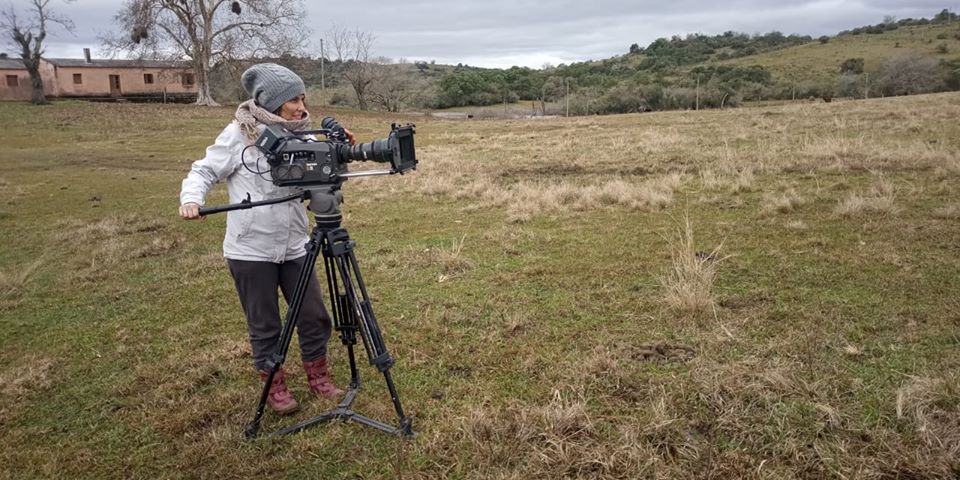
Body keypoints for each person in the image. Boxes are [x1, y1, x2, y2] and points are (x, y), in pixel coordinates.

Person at [179, 63, 349, 415]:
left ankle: (318, 376)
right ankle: (275, 384)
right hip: (250, 248)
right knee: (265, 322)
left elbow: (319, 177)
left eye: (303, 98)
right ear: (271, 102)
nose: (302, 107)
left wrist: (338, 153)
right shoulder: (238, 134)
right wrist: (191, 198)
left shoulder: (302, 134)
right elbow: (204, 168)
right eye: (294, 100)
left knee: (314, 315)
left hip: (295, 245)